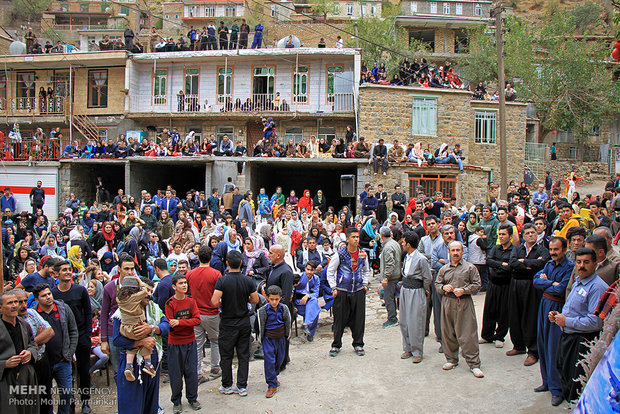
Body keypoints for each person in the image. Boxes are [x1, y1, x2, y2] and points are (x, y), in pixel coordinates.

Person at [550, 247, 607, 404]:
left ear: (595, 263)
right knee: (565, 374)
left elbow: (596, 322)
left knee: (576, 382)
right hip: (568, 336)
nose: (582, 265)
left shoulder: (597, 287)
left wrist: (566, 321)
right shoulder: (578, 281)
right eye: (578, 262)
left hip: (582, 341)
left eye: (586, 262)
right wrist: (558, 317)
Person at [112, 277, 169, 414]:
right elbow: (117, 340)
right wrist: (140, 342)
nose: (148, 295)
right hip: (132, 365)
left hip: (152, 364)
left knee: (150, 404)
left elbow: (166, 325)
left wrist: (152, 329)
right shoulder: (121, 313)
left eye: (150, 291)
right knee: (132, 407)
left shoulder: (154, 308)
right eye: (145, 291)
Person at [211, 250, 259, 396]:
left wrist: (223, 303)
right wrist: (245, 300)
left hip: (227, 322)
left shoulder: (222, 280)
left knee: (226, 355)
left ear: (227, 263)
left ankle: (226, 385)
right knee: (243, 354)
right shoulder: (247, 280)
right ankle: (242, 386)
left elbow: (214, 301)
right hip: (244, 321)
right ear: (240, 264)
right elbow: (255, 300)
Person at [533, 236, 573, 406]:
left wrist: (545, 281)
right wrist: (550, 282)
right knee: (542, 344)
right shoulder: (548, 264)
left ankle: (557, 389)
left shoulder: (570, 267)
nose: (553, 253)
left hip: (557, 307)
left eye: (556, 250)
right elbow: (535, 281)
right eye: (551, 250)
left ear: (564, 250)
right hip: (544, 305)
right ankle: (547, 382)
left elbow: (561, 289)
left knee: (553, 347)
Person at [435, 241, 484, 378]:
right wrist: (443, 288)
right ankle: (451, 359)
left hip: (464, 302)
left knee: (468, 334)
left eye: (458, 250)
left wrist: (464, 290)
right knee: (448, 332)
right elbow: (437, 284)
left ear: (462, 252)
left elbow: (477, 285)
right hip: (447, 302)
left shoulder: (470, 268)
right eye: (453, 250)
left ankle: (474, 364)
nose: (456, 253)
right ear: (449, 252)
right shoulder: (444, 269)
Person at [50, 260, 93, 414]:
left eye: (69, 269)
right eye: (64, 270)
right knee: (67, 374)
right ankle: (70, 403)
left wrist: (87, 334)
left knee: (83, 370)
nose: (68, 272)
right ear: (56, 274)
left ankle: (85, 401)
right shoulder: (53, 294)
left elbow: (88, 312)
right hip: (63, 337)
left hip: (81, 335)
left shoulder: (80, 290)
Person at [507, 223, 549, 365]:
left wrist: (524, 262)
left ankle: (533, 351)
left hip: (532, 286)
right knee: (515, 315)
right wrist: (529, 265)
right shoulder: (517, 248)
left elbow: (542, 264)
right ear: (523, 236)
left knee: (530, 317)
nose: (531, 235)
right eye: (528, 233)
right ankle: (518, 346)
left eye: (533, 232)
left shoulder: (542, 250)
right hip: (516, 284)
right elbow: (512, 263)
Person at [34, 284, 78, 414]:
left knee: (67, 393)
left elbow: (73, 331)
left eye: (49, 294)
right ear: (36, 299)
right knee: (45, 396)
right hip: (43, 362)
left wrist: (69, 353)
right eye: (44, 296)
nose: (48, 297)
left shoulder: (63, 309)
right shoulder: (34, 314)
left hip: (63, 360)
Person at [327, 227, 369, 357]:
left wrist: (365, 284)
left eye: (357, 237)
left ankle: (358, 343)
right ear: (348, 239)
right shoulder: (340, 254)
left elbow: (366, 270)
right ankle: (336, 344)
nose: (356, 239)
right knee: (339, 319)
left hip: (358, 290)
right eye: (354, 237)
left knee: (359, 319)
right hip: (342, 290)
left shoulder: (362, 254)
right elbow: (331, 271)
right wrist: (334, 287)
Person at [165, 274, 201, 413]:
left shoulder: (191, 301)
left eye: (185, 283)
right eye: (181, 283)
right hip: (174, 344)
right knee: (175, 375)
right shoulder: (170, 303)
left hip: (190, 342)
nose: (184, 285)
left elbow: (197, 320)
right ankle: (176, 401)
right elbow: (170, 324)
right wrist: (185, 323)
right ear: (174, 287)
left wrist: (180, 322)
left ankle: (192, 398)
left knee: (191, 372)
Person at [185, 245, 222, 383]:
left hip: (195, 313)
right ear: (211, 258)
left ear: (198, 258)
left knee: (197, 343)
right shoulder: (216, 274)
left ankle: (197, 372)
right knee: (215, 340)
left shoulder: (190, 274)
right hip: (212, 312)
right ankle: (215, 368)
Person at [0, 290, 39, 414]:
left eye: (16, 302)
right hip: (5, 378)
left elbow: (33, 344)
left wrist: (30, 353)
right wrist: (4, 363)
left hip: (26, 375)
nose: (14, 306)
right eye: (10, 303)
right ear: (0, 308)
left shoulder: (23, 324)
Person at [116, 276, 157, 381]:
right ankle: (148, 364)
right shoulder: (134, 298)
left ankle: (128, 366)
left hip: (125, 329)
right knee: (146, 338)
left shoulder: (119, 299)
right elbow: (144, 291)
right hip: (137, 327)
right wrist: (140, 282)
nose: (149, 294)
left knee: (132, 346)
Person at [399, 231, 431, 363]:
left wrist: (425, 290)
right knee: (404, 321)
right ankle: (408, 348)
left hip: (416, 291)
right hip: (405, 290)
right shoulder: (406, 256)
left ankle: (417, 350)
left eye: (404, 242)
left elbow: (427, 277)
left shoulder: (421, 259)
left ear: (409, 244)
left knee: (415, 321)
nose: (402, 244)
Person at [480, 224, 513, 348]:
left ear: (510, 236)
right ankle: (487, 336)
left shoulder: (514, 250)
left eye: (504, 234)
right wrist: (501, 265)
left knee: (503, 311)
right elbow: (489, 261)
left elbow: (511, 266)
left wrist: (498, 265)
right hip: (493, 284)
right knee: (489, 310)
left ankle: (500, 336)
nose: (501, 236)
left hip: (506, 285)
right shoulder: (495, 248)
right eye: (500, 234)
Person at [257, 285, 291, 398]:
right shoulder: (263, 310)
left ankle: (274, 376)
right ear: (267, 298)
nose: (274, 302)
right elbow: (260, 325)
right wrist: (260, 339)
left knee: (279, 359)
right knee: (269, 360)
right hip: (268, 339)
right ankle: (271, 384)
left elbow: (287, 322)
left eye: (277, 299)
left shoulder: (284, 309)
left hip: (281, 338)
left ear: (280, 298)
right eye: (272, 299)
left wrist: (287, 336)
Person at [265, 244, 294, 370]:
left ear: (278, 255)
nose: (268, 255)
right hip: (273, 308)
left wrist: (279, 312)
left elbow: (286, 296)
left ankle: (281, 362)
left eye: (271, 253)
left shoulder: (286, 271)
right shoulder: (274, 268)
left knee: (282, 339)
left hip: (280, 311)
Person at [379, 226, 402, 328]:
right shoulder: (394, 243)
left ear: (381, 235)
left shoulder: (388, 247)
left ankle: (392, 318)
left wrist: (386, 277)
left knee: (389, 298)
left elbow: (390, 264)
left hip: (391, 277)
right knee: (391, 297)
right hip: (396, 274)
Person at [295, 261, 321, 341]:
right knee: (315, 308)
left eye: (312, 270)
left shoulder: (316, 279)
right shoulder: (299, 277)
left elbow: (316, 293)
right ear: (305, 269)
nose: (309, 272)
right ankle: (307, 325)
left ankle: (308, 328)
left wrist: (308, 296)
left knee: (314, 303)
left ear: (315, 270)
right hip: (299, 302)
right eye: (308, 269)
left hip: (309, 300)